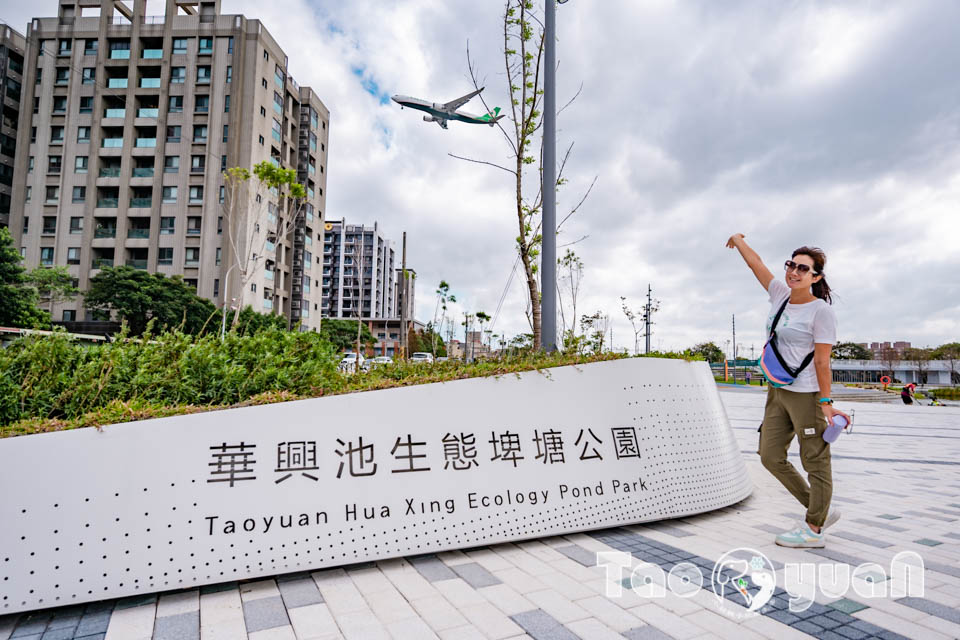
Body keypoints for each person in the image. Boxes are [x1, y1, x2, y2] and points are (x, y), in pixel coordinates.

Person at [727, 234, 851, 548]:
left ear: (816, 277)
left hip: (807, 394)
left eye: (803, 269)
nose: (794, 272)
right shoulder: (780, 294)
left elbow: (823, 360)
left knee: (815, 460)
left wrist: (826, 402)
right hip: (778, 388)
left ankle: (813, 530)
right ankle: (819, 507)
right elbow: (757, 266)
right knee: (769, 455)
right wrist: (738, 241)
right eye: (791, 265)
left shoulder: (821, 312)